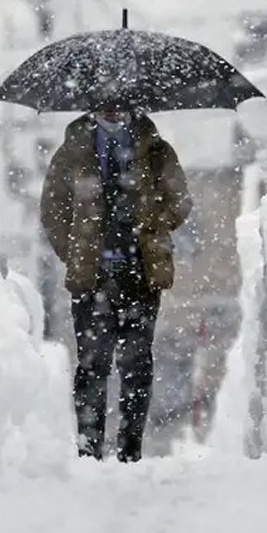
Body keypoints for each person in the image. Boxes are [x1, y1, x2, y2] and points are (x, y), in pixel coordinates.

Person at [41, 106, 193, 462]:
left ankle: (129, 450)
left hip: (140, 273)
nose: (113, 106)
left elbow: (181, 203)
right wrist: (76, 251)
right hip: (92, 278)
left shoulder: (157, 151)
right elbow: (53, 210)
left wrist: (154, 221)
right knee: (93, 364)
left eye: (122, 98)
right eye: (105, 99)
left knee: (137, 364)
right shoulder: (72, 151)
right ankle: (89, 448)